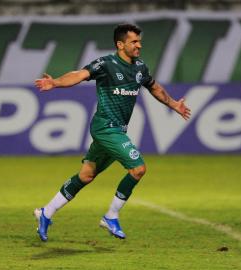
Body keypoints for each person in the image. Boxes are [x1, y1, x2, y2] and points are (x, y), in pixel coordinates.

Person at [34, 23, 191, 241]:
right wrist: (55, 83)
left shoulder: (140, 68)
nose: (139, 45)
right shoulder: (106, 64)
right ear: (120, 44)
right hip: (105, 127)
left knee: (86, 175)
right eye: (134, 42)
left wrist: (174, 104)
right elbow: (79, 74)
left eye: (139, 41)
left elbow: (154, 87)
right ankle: (111, 215)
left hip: (117, 129)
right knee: (138, 168)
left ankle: (46, 212)